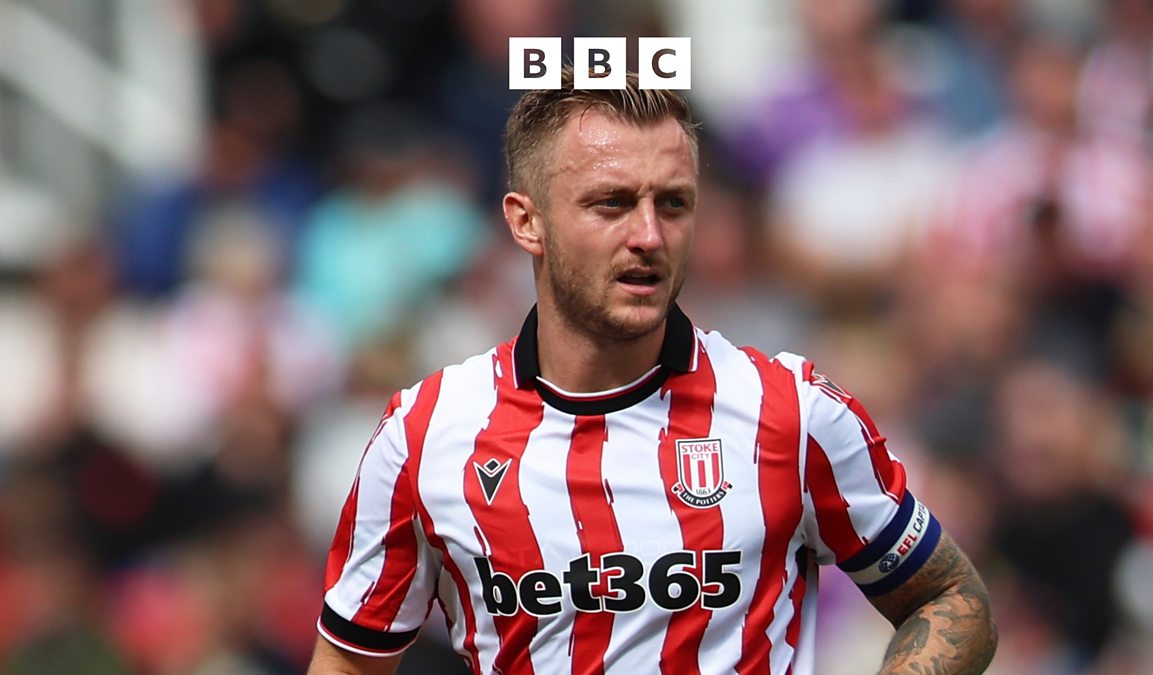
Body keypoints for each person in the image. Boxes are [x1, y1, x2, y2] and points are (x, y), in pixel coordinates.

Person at [308, 68, 998, 674]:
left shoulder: (791, 411)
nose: (648, 235)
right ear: (526, 222)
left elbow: (950, 597)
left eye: (673, 203)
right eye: (611, 203)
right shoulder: (427, 434)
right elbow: (349, 660)